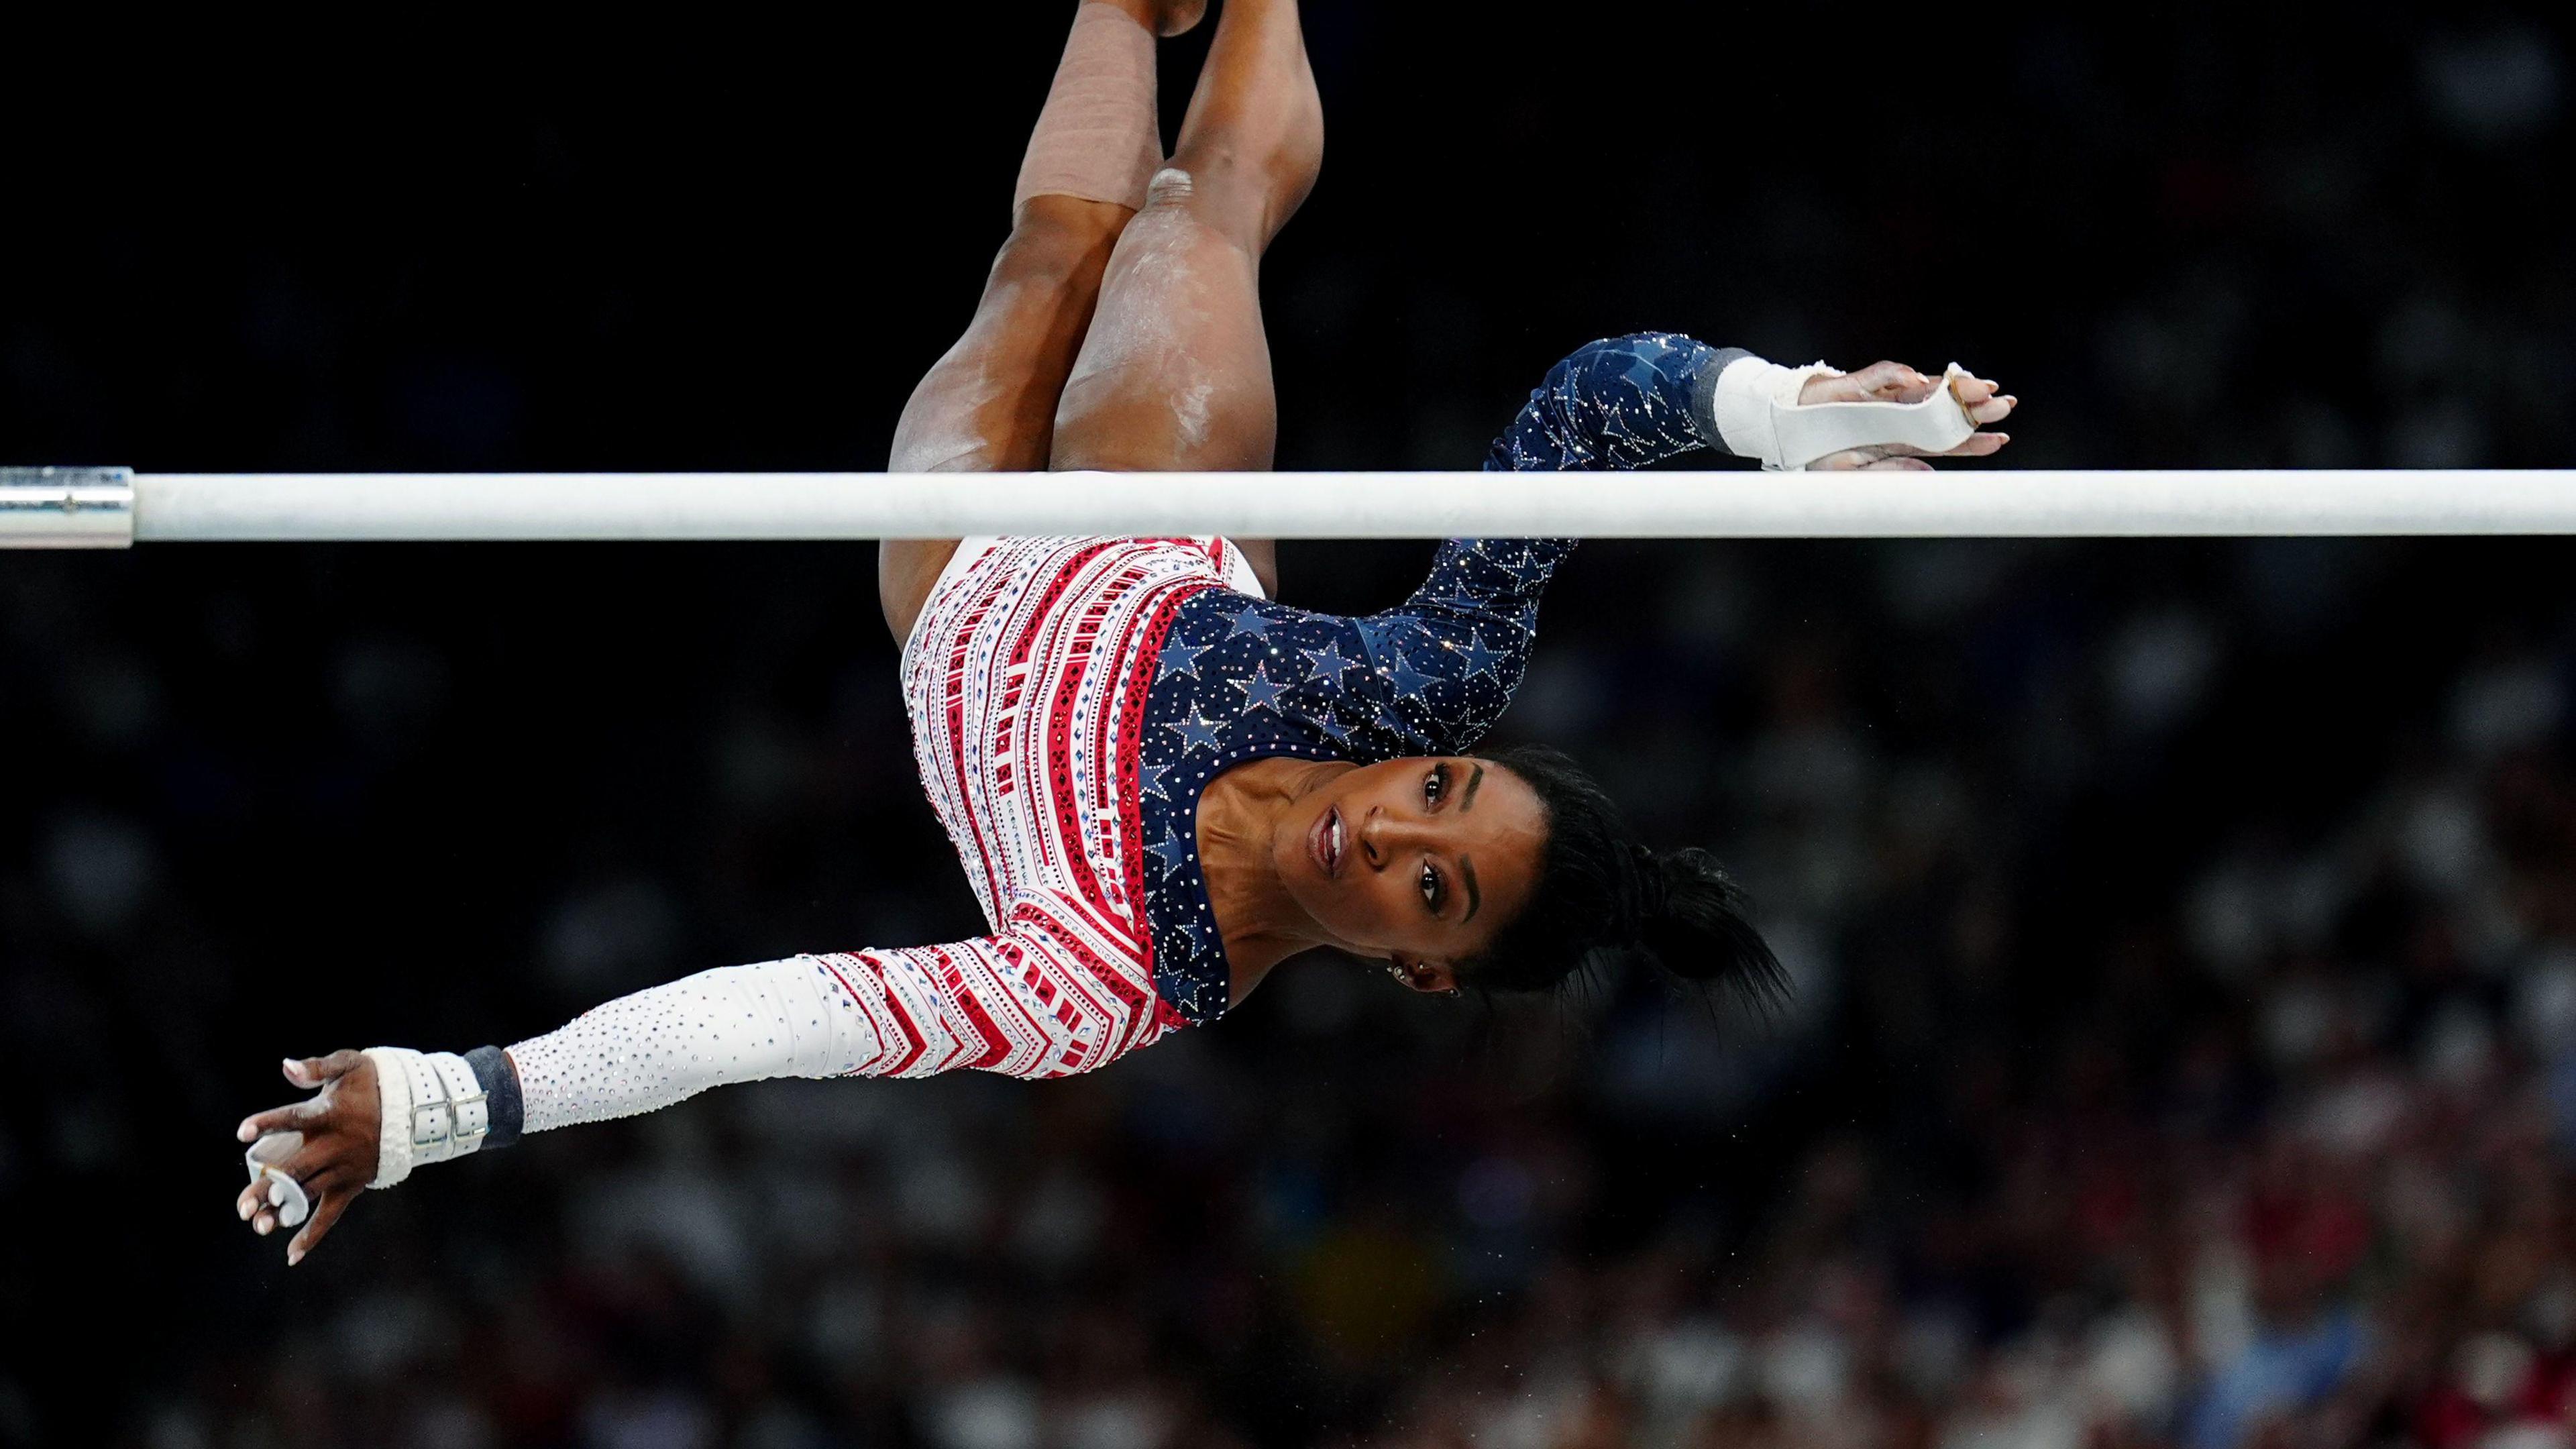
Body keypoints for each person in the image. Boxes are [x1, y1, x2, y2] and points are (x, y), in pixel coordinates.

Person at [231, 0, 2017, 1265]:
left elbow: (772, 1021)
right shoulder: (1417, 684)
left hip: (952, 590)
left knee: (1042, 257)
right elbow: (1585, 406)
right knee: (1193, 207)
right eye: (1446, 796)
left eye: (1434, 885)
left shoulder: (1106, 984)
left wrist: (456, 1101)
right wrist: (1780, 411)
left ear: (1425, 971)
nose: (1394, 822)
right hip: (1148, 514)